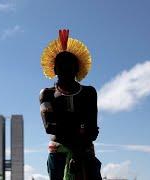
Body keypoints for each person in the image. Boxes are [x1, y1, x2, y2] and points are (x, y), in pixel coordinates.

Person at [39, 29, 102, 180]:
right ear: (54, 69)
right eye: (61, 64)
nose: (65, 68)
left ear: (77, 68)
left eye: (70, 64)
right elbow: (50, 127)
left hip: (85, 153)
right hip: (59, 154)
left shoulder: (89, 93)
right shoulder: (46, 94)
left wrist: (79, 154)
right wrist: (79, 128)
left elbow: (92, 129)